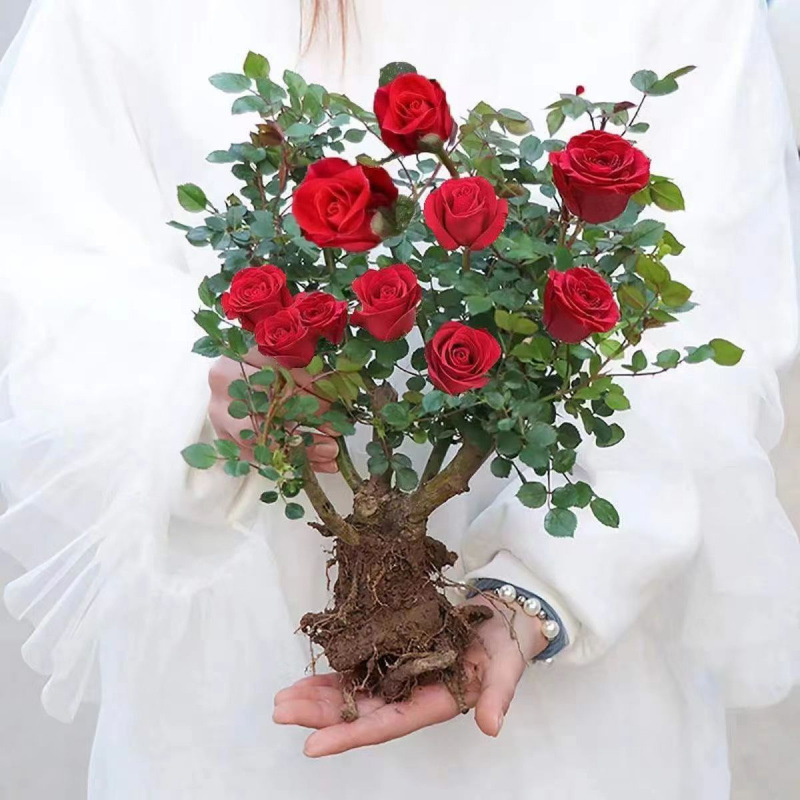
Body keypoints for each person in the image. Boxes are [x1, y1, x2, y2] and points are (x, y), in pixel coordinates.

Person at [1, 1, 798, 797]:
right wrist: (211, 394)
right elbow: (50, 288)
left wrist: (539, 592)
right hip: (239, 706)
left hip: (575, 734)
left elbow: (713, 314)